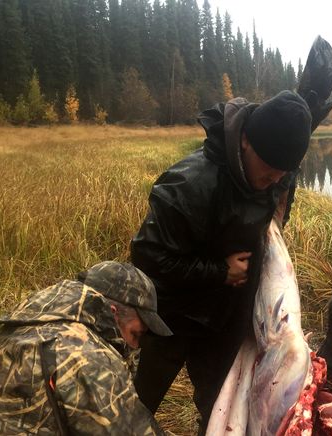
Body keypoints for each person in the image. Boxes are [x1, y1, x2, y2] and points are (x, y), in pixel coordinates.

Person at [130, 90, 320, 431]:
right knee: (139, 404)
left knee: (220, 405)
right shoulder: (188, 185)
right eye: (269, 172)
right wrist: (220, 271)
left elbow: (276, 189)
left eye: (283, 175)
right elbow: (147, 256)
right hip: (171, 314)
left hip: (226, 318)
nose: (273, 182)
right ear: (245, 140)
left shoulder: (277, 167)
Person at [0, 261, 171, 436]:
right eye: (138, 334)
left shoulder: (24, 326)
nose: (136, 346)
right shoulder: (84, 353)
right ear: (113, 313)